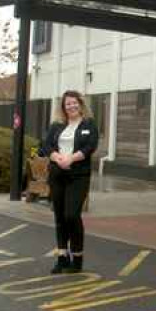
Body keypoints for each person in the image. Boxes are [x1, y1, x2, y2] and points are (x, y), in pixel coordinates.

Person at [39, 90, 99, 274]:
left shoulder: (89, 124)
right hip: (57, 174)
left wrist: (71, 159)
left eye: (74, 103)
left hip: (78, 176)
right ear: (63, 107)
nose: (71, 106)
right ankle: (62, 257)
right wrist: (57, 157)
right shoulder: (57, 125)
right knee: (59, 216)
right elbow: (46, 145)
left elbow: (90, 146)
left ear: (80, 104)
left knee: (71, 215)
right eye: (68, 104)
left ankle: (78, 258)